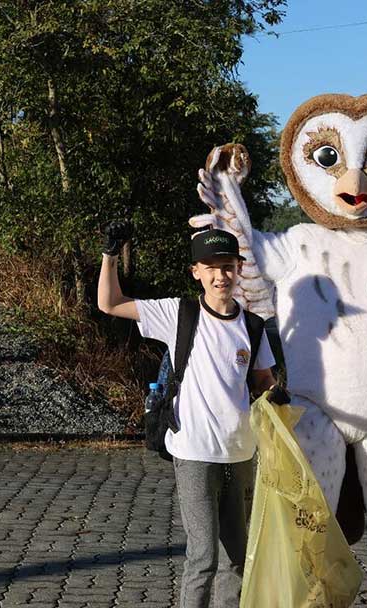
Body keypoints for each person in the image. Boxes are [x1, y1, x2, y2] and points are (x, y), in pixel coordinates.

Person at [97, 223, 280, 608]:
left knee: (237, 558)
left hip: (242, 454)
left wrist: (280, 399)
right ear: (196, 271)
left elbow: (264, 381)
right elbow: (110, 303)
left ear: (239, 268)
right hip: (194, 453)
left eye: (227, 265)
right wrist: (110, 256)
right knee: (203, 557)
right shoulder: (178, 313)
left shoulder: (253, 325)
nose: (220, 275)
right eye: (210, 266)